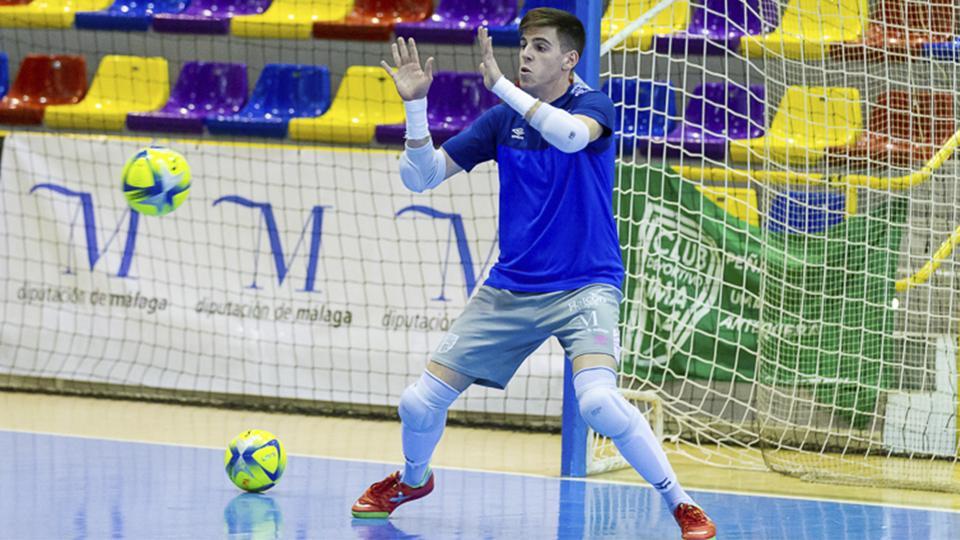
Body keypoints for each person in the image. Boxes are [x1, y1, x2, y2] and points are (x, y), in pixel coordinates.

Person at [352, 8, 716, 540]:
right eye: (523, 45)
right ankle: (413, 480)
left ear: (570, 60)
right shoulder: (503, 121)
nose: (525, 54)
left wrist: (501, 86)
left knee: (597, 401)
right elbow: (422, 178)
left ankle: (681, 503)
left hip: (586, 284)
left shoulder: (592, 105)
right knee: (418, 401)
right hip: (512, 288)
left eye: (540, 47)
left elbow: (571, 137)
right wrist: (415, 107)